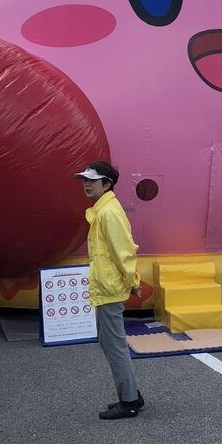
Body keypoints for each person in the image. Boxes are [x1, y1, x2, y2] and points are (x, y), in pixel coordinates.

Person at [75, 161, 144, 420]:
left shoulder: (107, 212)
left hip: (110, 289)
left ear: (107, 184)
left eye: (92, 180)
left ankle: (129, 400)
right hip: (107, 288)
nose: (86, 184)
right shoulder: (103, 210)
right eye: (84, 180)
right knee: (110, 342)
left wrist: (132, 281)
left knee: (114, 345)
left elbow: (123, 251)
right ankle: (130, 395)